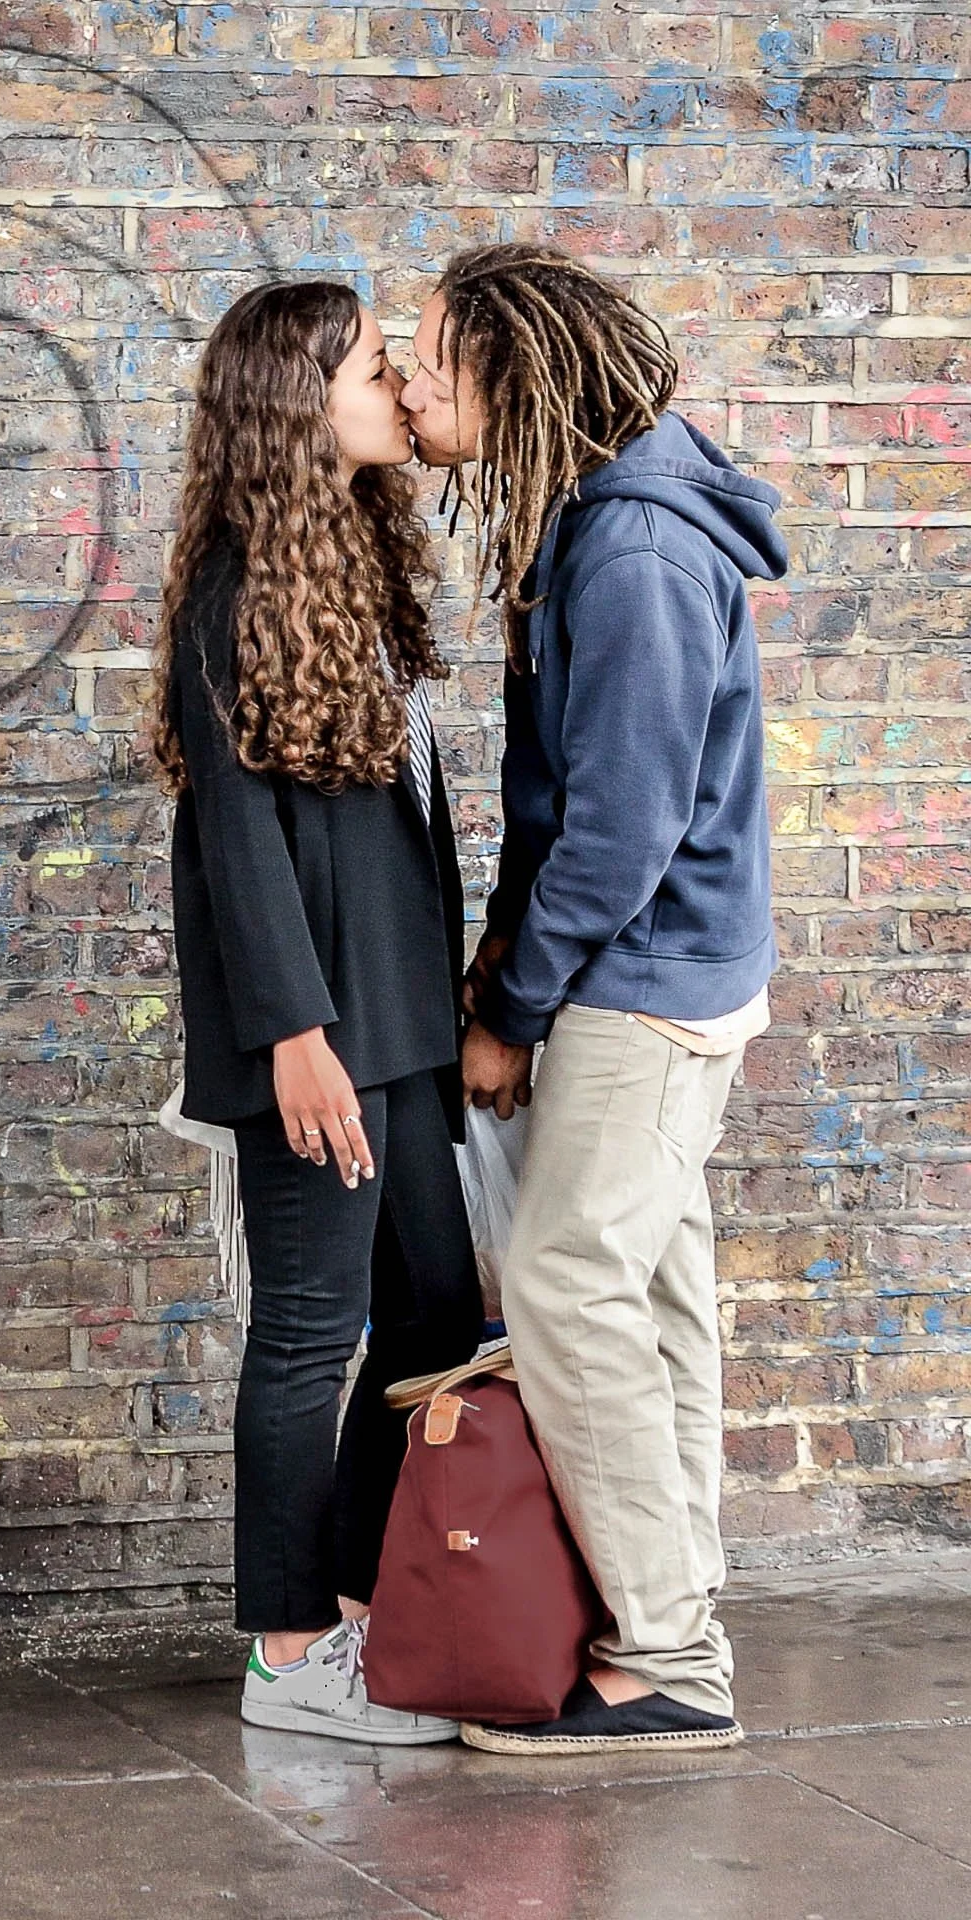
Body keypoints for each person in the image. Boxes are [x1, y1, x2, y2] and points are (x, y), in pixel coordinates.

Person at [399, 243, 787, 1754]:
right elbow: (573, 804)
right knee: (652, 1293)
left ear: (517, 370)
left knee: (566, 1284)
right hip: (661, 975)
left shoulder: (627, 552)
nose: (413, 379)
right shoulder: (601, 516)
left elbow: (620, 828)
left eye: (435, 354)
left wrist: (512, 1006)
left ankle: (671, 1660)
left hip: (643, 987)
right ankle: (675, 1621)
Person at [153, 281, 483, 1745]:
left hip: (401, 1014)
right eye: (367, 371)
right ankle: (288, 1654)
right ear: (299, 402)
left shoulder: (353, 556)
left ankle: (352, 1605)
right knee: (307, 1333)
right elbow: (236, 836)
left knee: (432, 1317)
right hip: (318, 1033)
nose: (395, 390)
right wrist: (294, 1036)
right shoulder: (235, 586)